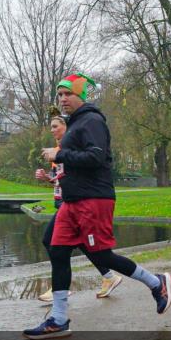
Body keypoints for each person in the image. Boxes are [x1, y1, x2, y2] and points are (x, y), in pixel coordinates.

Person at [22, 73, 171, 340]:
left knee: (102, 256)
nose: (63, 99)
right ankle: (58, 319)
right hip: (72, 201)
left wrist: (60, 154)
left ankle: (155, 282)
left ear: (81, 95)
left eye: (68, 94)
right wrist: (56, 171)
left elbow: (96, 157)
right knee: (56, 249)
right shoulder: (76, 123)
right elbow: (77, 164)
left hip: (94, 200)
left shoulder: (92, 120)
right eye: (60, 94)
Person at [34, 114, 122, 303]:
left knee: (51, 241)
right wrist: (48, 178)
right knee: (80, 244)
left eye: (55, 126)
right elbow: (63, 176)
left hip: (75, 203)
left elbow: (79, 171)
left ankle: (61, 287)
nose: (52, 130)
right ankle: (108, 276)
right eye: (51, 126)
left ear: (66, 127)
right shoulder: (58, 151)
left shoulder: (68, 148)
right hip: (66, 201)